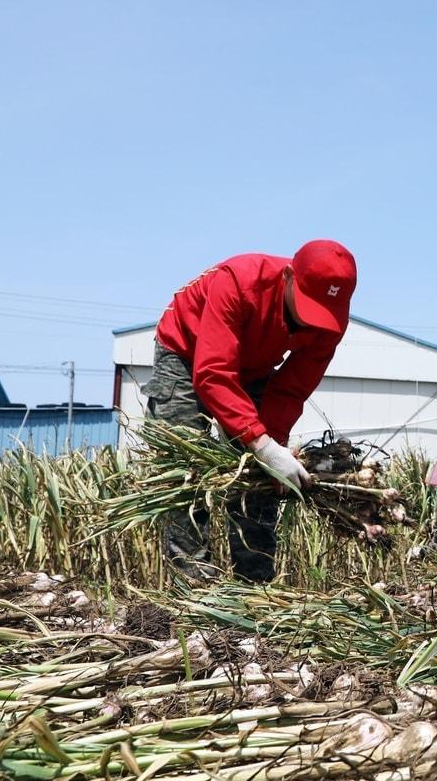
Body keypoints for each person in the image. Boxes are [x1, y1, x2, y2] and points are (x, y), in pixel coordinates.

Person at [143, 239, 358, 583]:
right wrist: (260, 442)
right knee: (186, 470)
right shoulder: (239, 281)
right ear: (288, 277)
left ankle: (254, 583)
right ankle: (195, 585)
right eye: (307, 308)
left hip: (254, 368)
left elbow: (292, 388)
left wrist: (271, 446)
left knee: (261, 480)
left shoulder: (330, 320)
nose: (312, 322)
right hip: (187, 352)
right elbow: (212, 373)